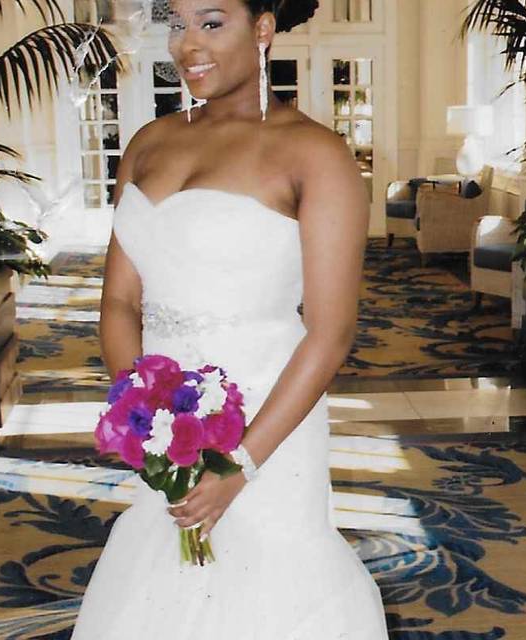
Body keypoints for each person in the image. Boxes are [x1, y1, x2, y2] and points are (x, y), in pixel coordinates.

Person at [71, 0, 388, 637]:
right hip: (165, 422)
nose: (188, 45)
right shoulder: (148, 143)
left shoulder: (315, 154)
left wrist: (238, 465)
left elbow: (330, 332)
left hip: (269, 413)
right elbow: (118, 303)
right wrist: (144, 425)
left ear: (263, 29)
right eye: (177, 24)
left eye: (212, 22)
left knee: (272, 583)